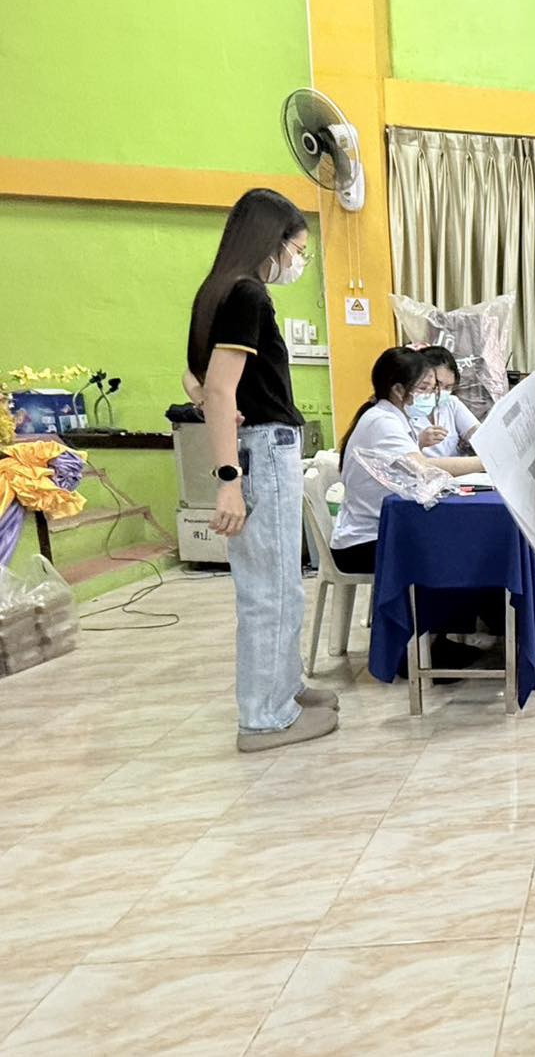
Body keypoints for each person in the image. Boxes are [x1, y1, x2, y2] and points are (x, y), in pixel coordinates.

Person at [183, 188, 339, 752]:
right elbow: (220, 390)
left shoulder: (216, 291)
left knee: (282, 584)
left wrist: (211, 403)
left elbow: (196, 380)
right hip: (262, 451)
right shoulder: (247, 294)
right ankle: (266, 718)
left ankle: (285, 689)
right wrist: (229, 481)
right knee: (268, 590)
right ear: (271, 242)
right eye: (297, 249)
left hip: (262, 446)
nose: (298, 261)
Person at [330, 347, 487, 576]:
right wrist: (485, 463)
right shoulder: (382, 422)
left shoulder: (393, 417)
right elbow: (425, 467)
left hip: (386, 528)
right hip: (365, 541)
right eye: (424, 389)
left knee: (465, 546)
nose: (432, 397)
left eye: (433, 390)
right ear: (398, 389)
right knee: (463, 553)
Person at [412, 345, 482, 458]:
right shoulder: (408, 409)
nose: (441, 392)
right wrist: (420, 442)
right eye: (437, 385)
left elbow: (478, 434)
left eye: (448, 387)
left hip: (459, 468)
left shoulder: (450, 403)